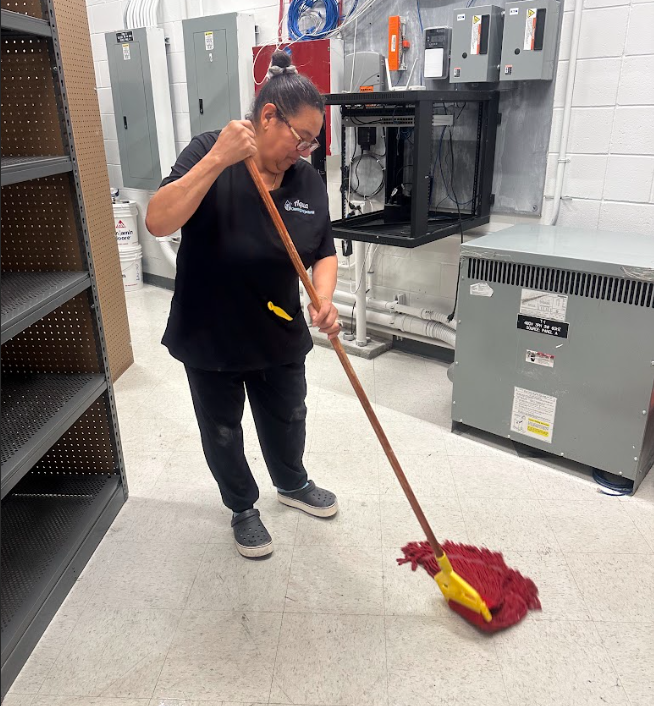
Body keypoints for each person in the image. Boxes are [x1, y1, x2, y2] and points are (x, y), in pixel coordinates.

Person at [146, 51, 340, 559]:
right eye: (300, 138)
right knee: (223, 429)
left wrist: (324, 298)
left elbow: (322, 250)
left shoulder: (305, 179)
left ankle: (292, 484)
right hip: (210, 330)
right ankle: (242, 507)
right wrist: (218, 161)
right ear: (268, 116)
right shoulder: (209, 151)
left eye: (312, 142)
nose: (304, 150)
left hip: (277, 328)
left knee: (288, 415)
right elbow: (158, 221)